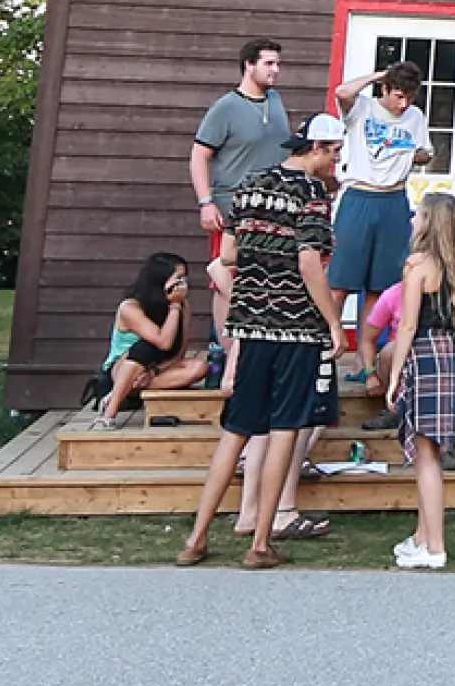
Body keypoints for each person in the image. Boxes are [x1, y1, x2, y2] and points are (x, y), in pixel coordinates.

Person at [179, 114, 345, 569]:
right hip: (295, 328)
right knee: (284, 430)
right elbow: (310, 262)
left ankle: (195, 539)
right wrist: (333, 323)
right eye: (334, 153)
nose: (336, 162)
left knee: (235, 432)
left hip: (249, 324)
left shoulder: (251, 183)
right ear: (317, 148)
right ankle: (260, 544)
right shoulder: (311, 194)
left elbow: (228, 253)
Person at [381, 190, 455, 571]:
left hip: (425, 353)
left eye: (418, 214)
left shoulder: (417, 264)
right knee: (432, 451)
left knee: (425, 454)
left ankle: (434, 546)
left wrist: (394, 377)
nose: (412, 220)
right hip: (452, 354)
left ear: (429, 222)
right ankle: (422, 536)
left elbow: (406, 325)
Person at [330, 60, 430, 417]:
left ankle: (364, 360)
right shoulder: (364, 108)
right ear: (386, 89)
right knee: (340, 281)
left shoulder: (415, 117)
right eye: (398, 96)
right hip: (359, 196)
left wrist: (415, 155)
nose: (403, 104)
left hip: (394, 198)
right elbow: (341, 91)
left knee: (378, 286)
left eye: (409, 97)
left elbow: (425, 151)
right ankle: (326, 349)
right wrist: (378, 75)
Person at [190, 38, 289, 346]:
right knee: (226, 279)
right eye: (268, 63)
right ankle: (225, 352)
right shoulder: (226, 107)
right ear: (249, 65)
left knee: (264, 280)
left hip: (273, 207)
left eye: (277, 64)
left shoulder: (275, 100)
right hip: (232, 205)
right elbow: (198, 156)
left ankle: (255, 348)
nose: (275, 70)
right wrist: (206, 203)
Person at [92, 252, 206, 426]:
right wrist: (174, 306)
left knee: (199, 367)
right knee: (145, 347)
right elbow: (163, 341)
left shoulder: (183, 306)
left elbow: (178, 352)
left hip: (156, 369)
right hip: (123, 368)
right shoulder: (131, 307)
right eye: (178, 279)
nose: (183, 285)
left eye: (185, 279)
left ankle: (131, 389)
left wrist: (153, 372)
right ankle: (109, 411)